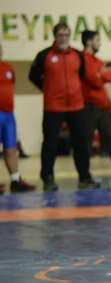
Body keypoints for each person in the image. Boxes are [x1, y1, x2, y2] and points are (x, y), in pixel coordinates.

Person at [29, 22, 97, 192]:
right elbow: (33, 76)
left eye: (66, 35)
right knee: (50, 144)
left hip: (76, 106)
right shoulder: (44, 55)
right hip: (53, 107)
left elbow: (81, 75)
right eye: (60, 35)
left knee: (81, 143)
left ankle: (84, 177)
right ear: (55, 36)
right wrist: (48, 89)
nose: (64, 38)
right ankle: (48, 178)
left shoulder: (77, 55)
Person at [81, 30, 111, 171]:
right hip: (89, 106)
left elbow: (110, 77)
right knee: (86, 141)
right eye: (97, 40)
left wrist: (101, 75)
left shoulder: (98, 61)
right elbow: (93, 80)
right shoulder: (82, 59)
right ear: (88, 42)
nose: (100, 43)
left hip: (103, 107)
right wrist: (101, 75)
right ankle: (85, 174)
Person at [0, 43, 35, 193]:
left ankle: (15, 180)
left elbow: (11, 87)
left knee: (11, 148)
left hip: (8, 115)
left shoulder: (8, 68)